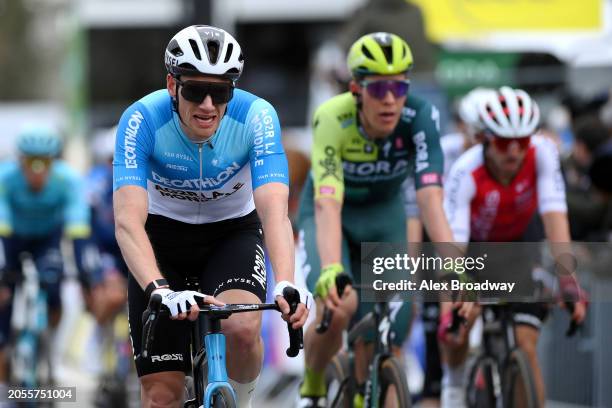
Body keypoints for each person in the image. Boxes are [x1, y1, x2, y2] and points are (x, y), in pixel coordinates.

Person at [112, 25, 309, 408]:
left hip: (230, 234)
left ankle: (240, 402)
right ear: (172, 85)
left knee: (242, 326)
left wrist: (288, 280)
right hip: (161, 240)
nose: (207, 105)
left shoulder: (257, 117)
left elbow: (274, 213)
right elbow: (127, 221)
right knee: (160, 396)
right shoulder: (141, 120)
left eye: (219, 92)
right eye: (194, 91)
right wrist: (158, 289)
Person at [297, 32, 457, 407]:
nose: (389, 99)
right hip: (330, 214)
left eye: (399, 87)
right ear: (356, 88)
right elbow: (327, 204)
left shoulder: (421, 117)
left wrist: (455, 266)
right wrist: (333, 267)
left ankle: (366, 392)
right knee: (340, 306)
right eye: (378, 87)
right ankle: (313, 385)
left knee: (394, 325)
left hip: (384, 218)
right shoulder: (333, 118)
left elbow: (430, 198)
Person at [442, 86, 588, 407]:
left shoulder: (543, 153)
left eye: (522, 142)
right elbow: (455, 243)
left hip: (522, 247)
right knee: (457, 321)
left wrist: (568, 278)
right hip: (474, 251)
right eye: (505, 143)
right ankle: (452, 387)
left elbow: (554, 216)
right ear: (486, 139)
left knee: (526, 343)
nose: (514, 152)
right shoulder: (465, 170)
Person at [0, 125, 91, 396]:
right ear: (20, 161)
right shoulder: (6, 178)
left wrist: (85, 271)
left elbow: (78, 229)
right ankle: (5, 372)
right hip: (12, 236)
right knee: (3, 295)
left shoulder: (68, 180)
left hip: (47, 239)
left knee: (54, 283)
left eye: (44, 162)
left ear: (54, 162)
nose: (37, 170)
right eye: (30, 162)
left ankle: (47, 343)